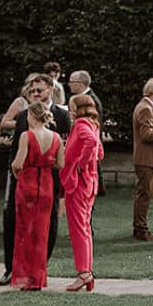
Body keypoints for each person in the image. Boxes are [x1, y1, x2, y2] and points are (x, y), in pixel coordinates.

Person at [0, 73, 71, 285]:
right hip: (24, 177)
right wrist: (15, 174)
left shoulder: (62, 115)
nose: (36, 93)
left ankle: (40, 266)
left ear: (51, 89)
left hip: (50, 178)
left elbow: (65, 149)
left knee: (49, 223)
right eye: (32, 90)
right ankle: (12, 269)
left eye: (39, 89)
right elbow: (16, 150)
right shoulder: (23, 115)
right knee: (13, 219)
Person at [11, 100, 65, 290]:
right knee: (41, 232)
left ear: (32, 116)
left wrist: (19, 172)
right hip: (47, 185)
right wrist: (46, 163)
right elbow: (61, 164)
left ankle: (26, 277)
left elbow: (18, 163)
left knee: (25, 231)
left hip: (28, 183)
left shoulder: (27, 136)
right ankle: (38, 277)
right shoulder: (56, 137)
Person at [61, 92, 103, 292]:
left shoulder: (81, 125)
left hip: (79, 182)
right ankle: (86, 271)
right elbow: (99, 151)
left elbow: (92, 145)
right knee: (84, 227)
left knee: (78, 228)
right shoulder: (94, 124)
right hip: (90, 182)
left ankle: (84, 273)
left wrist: (80, 163)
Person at [131, 78, 153, 242]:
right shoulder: (146, 109)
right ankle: (141, 230)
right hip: (146, 158)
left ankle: (140, 227)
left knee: (143, 193)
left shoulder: (146, 107)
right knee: (144, 194)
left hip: (144, 158)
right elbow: (146, 135)